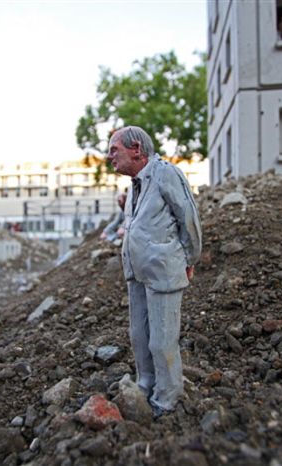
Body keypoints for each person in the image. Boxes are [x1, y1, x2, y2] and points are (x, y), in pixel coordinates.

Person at [107, 126, 202, 417]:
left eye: (114, 150)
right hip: (138, 271)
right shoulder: (134, 185)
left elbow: (187, 218)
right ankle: (145, 382)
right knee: (139, 335)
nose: (110, 157)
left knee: (162, 339)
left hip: (163, 269)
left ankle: (167, 396)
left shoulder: (166, 174)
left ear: (136, 149)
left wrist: (190, 258)